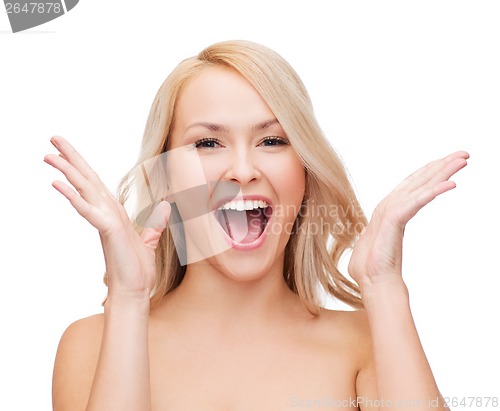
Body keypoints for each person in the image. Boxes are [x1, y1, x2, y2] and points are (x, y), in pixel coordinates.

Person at [45, 40, 468, 410]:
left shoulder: (367, 342)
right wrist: (129, 299)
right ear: (166, 178)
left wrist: (383, 286)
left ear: (305, 172)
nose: (243, 170)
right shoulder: (92, 344)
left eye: (272, 141)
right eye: (208, 143)